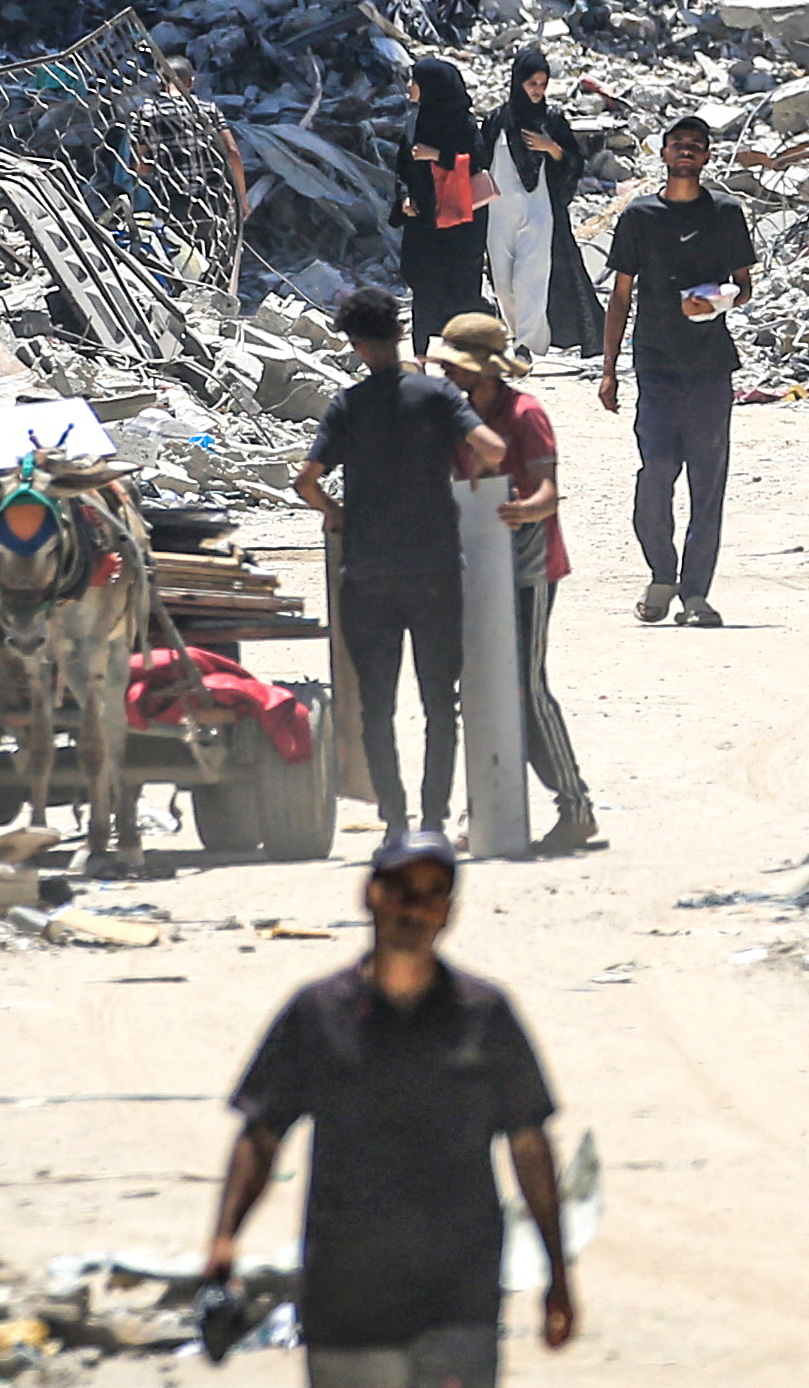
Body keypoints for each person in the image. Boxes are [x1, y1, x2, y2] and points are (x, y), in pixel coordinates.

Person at [206, 829, 578, 1388]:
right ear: (369, 899)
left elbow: (530, 1144)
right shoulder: (315, 1014)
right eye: (401, 890)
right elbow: (261, 1131)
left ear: (449, 910)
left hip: (458, 1296)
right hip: (345, 1301)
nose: (417, 907)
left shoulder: (487, 1016)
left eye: (434, 894)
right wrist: (222, 1242)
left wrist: (560, 1274)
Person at [301, 285, 501, 833]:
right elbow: (493, 448)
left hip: (367, 574)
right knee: (441, 702)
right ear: (398, 332)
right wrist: (474, 483)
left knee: (376, 707)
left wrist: (335, 511)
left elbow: (306, 482)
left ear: (357, 346)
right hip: (436, 569)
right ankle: (433, 817)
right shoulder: (436, 396)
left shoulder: (347, 406)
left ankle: (394, 818)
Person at [430, 312, 602, 855]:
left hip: (528, 566)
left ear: (481, 371)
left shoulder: (526, 414)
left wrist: (522, 511)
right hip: (475, 562)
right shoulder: (455, 417)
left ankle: (575, 807)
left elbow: (549, 493)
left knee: (526, 689)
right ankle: (484, 804)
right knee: (477, 688)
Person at [595, 116, 758, 628]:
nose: (686, 151)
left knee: (708, 484)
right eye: (678, 145)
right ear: (663, 154)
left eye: (696, 146)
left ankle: (695, 594)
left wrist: (716, 300)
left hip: (710, 367)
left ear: (707, 157)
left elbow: (743, 285)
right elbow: (620, 296)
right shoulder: (640, 216)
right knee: (657, 474)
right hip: (657, 365)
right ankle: (661, 573)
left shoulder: (726, 213)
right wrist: (608, 370)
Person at [477, 55, 590, 365]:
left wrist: (551, 148)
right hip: (499, 213)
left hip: (539, 211)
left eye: (542, 85)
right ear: (518, 83)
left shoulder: (552, 120)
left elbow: (575, 163)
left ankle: (527, 345)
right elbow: (479, 162)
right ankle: (515, 334)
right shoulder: (497, 120)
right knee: (502, 283)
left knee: (530, 279)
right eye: (531, 84)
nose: (538, 91)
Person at [396, 56, 491, 342]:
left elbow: (477, 162)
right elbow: (401, 167)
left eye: (415, 81)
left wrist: (437, 156)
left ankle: (463, 357)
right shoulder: (415, 119)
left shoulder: (463, 123)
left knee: (460, 292)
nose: (410, 86)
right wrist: (403, 198)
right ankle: (422, 357)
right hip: (424, 221)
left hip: (460, 226)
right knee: (424, 291)